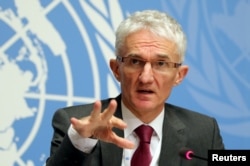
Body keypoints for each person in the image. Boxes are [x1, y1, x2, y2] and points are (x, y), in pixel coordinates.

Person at [46, 10, 224, 166]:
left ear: (179, 75)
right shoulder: (76, 124)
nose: (146, 77)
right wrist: (81, 140)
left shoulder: (204, 131)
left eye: (161, 63)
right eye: (135, 61)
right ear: (116, 69)